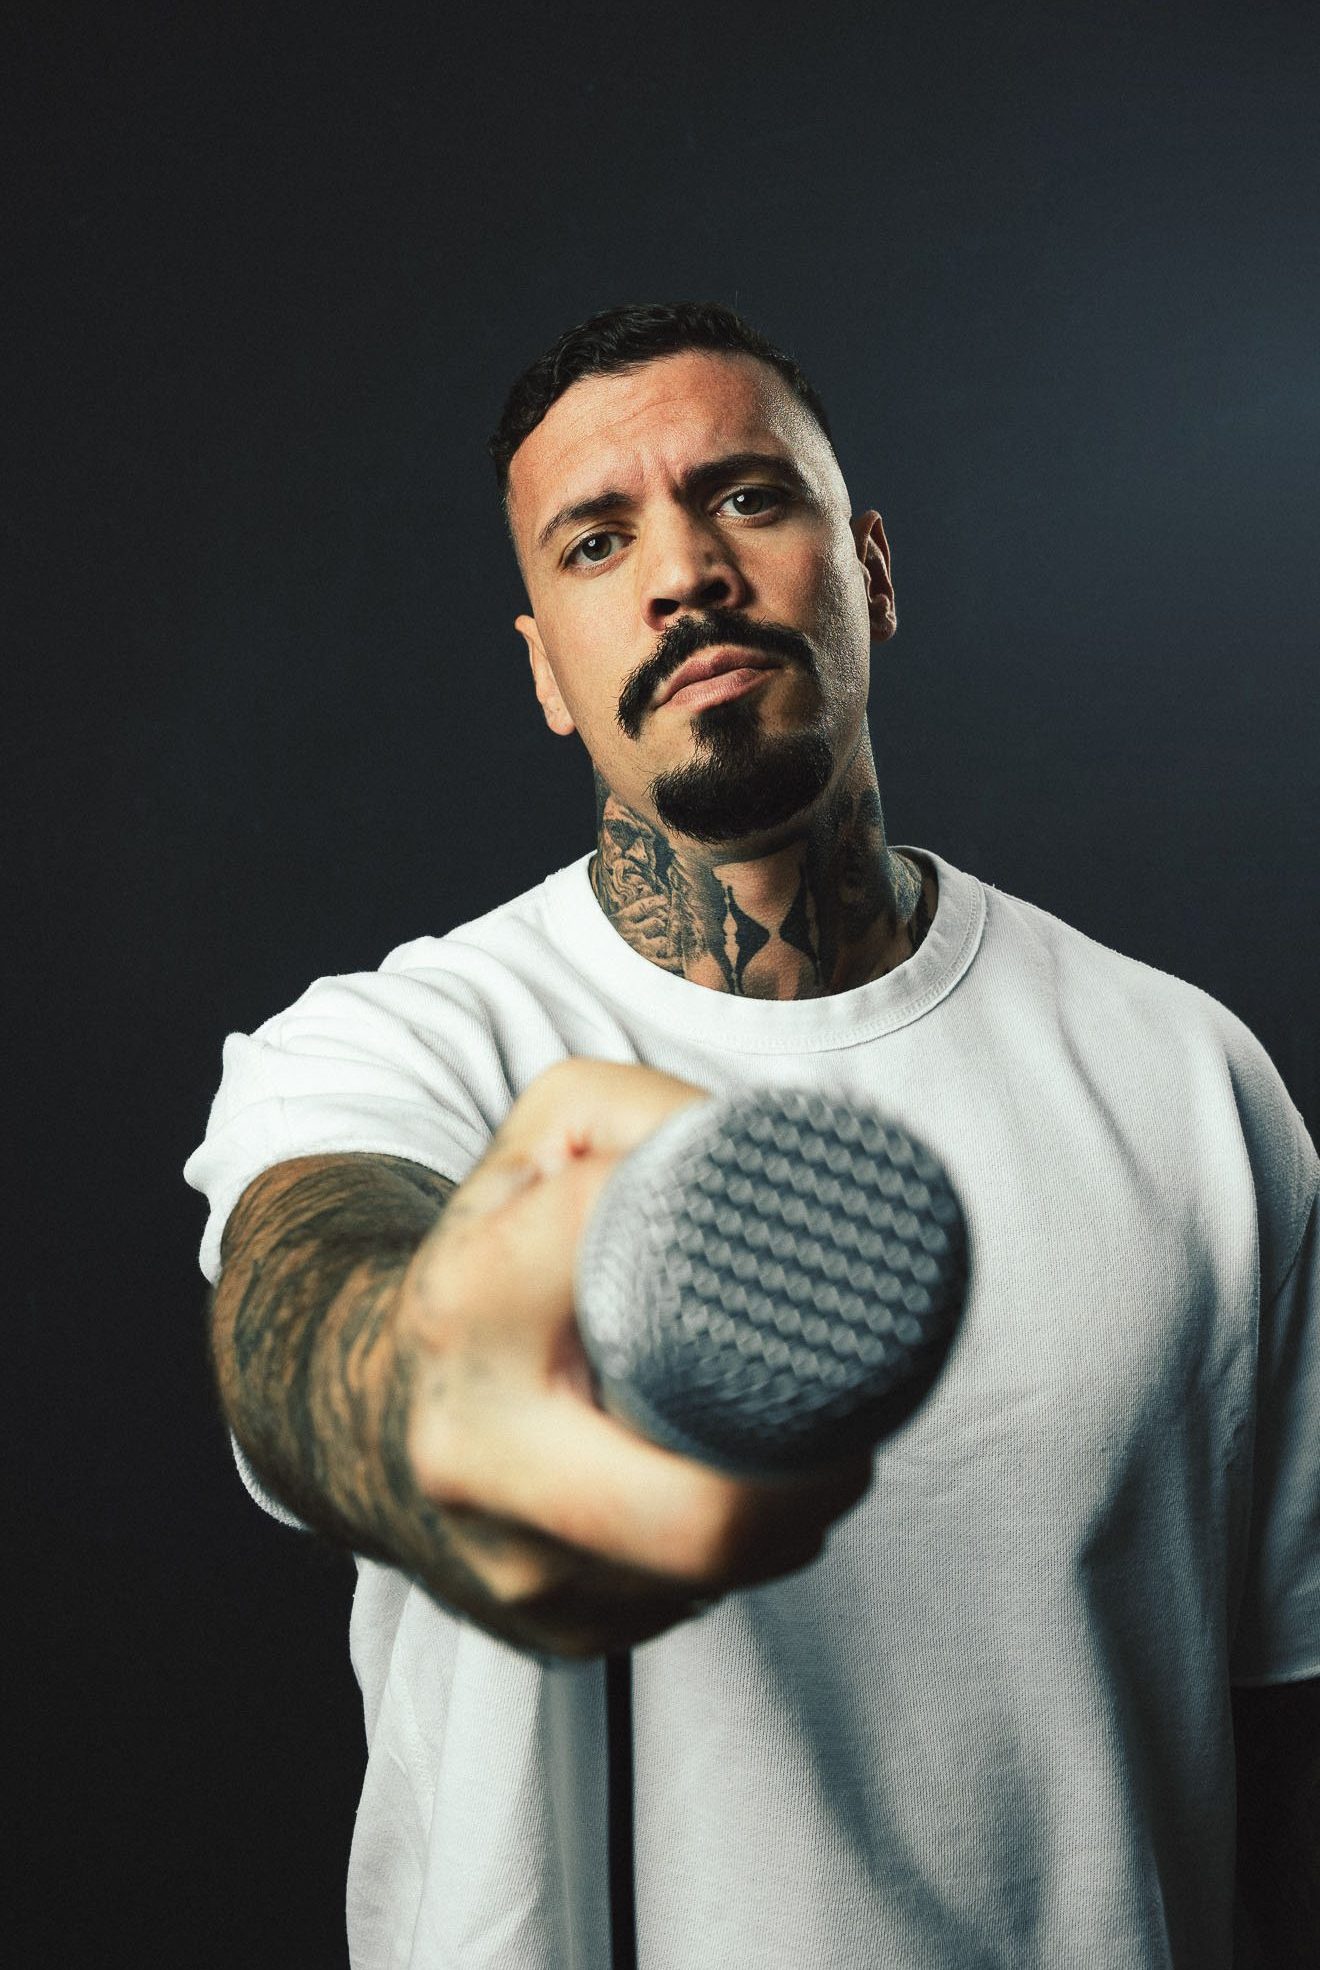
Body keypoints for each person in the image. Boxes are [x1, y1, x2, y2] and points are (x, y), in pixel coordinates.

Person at [185, 302, 1318, 1969]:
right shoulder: (406, 1045)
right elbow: (307, 1291)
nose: (684, 571)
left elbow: (1288, 1744)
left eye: (745, 495)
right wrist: (433, 1408)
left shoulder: (1190, 1079)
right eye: (597, 539)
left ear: (872, 566)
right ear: (546, 671)